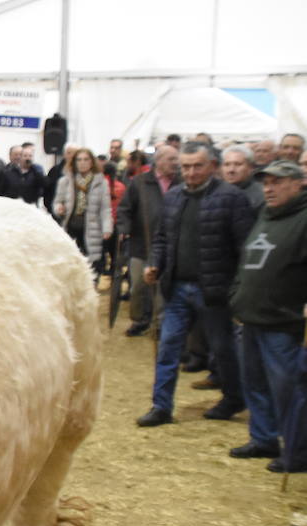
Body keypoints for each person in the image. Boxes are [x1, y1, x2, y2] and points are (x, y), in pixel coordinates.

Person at [136, 142, 254, 427]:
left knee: (222, 349)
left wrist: (238, 289)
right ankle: (161, 405)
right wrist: (155, 263)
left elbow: (245, 248)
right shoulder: (174, 197)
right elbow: (162, 238)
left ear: (212, 166)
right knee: (168, 347)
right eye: (185, 167)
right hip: (176, 287)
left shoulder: (232, 198)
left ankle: (232, 397)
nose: (190, 172)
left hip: (215, 290)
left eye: (197, 166)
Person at [227, 160, 307, 465]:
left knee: (288, 389)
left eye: (278, 182)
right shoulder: (265, 214)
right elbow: (247, 257)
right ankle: (263, 438)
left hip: (284, 321)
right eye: (266, 183)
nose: (269, 188)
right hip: (250, 316)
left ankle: (298, 450)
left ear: (298, 183)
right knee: (255, 384)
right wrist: (237, 296)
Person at [118, 145, 181, 336]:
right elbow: (124, 209)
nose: (175, 163)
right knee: (138, 285)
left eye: (176, 159)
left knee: (163, 287)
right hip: (141, 243)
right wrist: (124, 229)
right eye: (171, 159)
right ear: (159, 161)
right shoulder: (140, 182)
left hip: (170, 245)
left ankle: (161, 323)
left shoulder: (181, 183)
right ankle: (139, 320)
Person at [52, 147, 112, 278]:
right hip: (71, 228)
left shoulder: (101, 183)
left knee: (92, 268)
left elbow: (105, 208)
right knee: (70, 266)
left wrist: (107, 228)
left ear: (92, 162)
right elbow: (57, 202)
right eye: (79, 160)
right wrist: (59, 208)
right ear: (74, 162)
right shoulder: (65, 181)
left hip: (92, 228)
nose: (82, 163)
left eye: (86, 159)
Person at [222, 144, 265, 215]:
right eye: (227, 164)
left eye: (238, 164)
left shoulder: (262, 196)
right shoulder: (212, 192)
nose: (231, 170)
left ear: (250, 168)